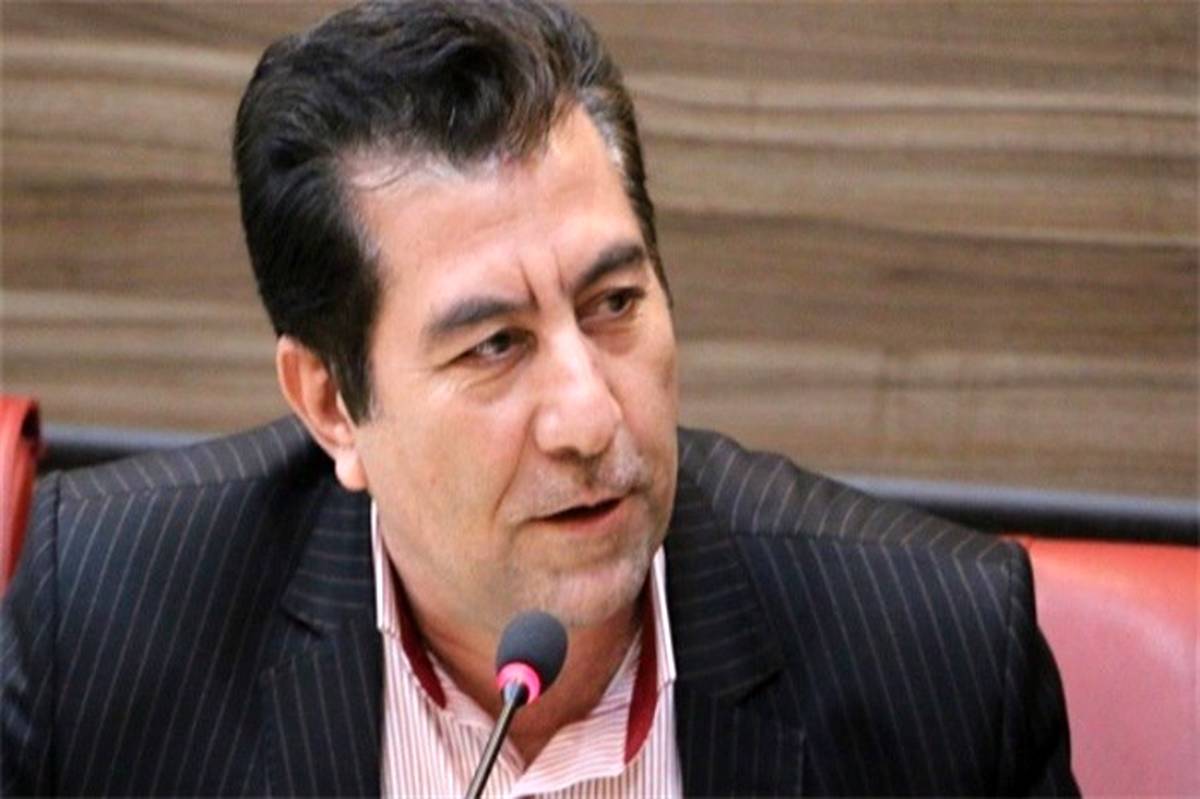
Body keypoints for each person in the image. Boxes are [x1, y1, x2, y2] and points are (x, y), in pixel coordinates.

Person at [1, 1, 1078, 795]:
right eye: (495, 345)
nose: (591, 418)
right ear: (331, 403)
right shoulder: (102, 619)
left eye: (613, 303)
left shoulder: (940, 657)